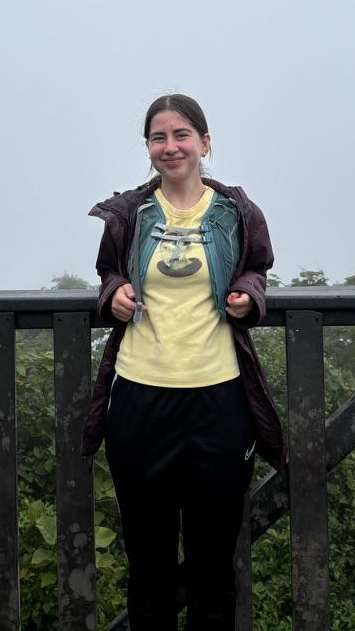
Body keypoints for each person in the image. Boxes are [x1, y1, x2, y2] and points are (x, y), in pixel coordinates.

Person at [82, 93, 284, 631]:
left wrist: (247, 294)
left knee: (212, 566)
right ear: (148, 147)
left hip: (220, 401)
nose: (169, 147)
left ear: (205, 143)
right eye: (158, 137)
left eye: (181, 135)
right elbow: (108, 273)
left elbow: (257, 269)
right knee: (148, 564)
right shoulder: (130, 214)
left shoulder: (236, 212)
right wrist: (114, 292)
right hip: (138, 400)